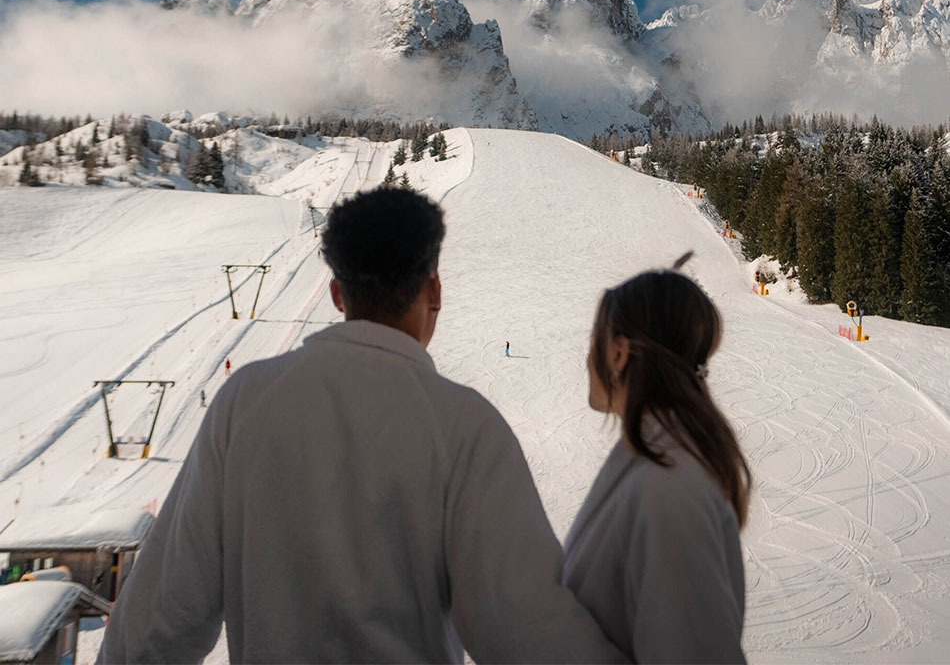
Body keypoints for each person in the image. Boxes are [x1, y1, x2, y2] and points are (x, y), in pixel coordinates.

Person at [98, 186, 623, 665]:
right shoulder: (464, 425)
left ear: (336, 295)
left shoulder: (245, 403)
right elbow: (527, 629)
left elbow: (156, 624)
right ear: (434, 289)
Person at [563, 261, 750, 664]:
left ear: (619, 352)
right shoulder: (657, 460)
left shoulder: (668, 486)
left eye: (594, 340)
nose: (586, 358)